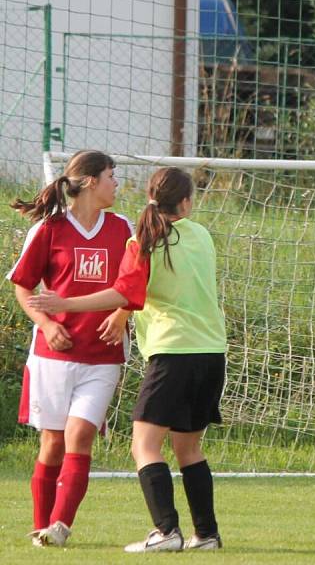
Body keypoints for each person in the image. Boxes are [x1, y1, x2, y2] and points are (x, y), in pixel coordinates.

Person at [28, 166, 227, 553]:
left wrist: (65, 303)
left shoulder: (144, 243)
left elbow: (125, 292)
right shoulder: (201, 236)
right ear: (185, 203)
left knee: (144, 446)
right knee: (189, 449)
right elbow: (137, 294)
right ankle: (206, 535)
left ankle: (166, 531)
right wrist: (124, 310)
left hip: (173, 353)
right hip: (212, 353)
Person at [7, 150, 132, 547]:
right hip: (52, 355)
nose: (117, 183)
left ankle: (60, 525)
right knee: (53, 442)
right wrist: (46, 323)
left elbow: (136, 284)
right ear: (92, 181)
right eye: (112, 175)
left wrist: (122, 315)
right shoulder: (49, 229)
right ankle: (41, 526)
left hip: (102, 357)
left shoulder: (122, 227)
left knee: (80, 436)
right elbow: (22, 286)